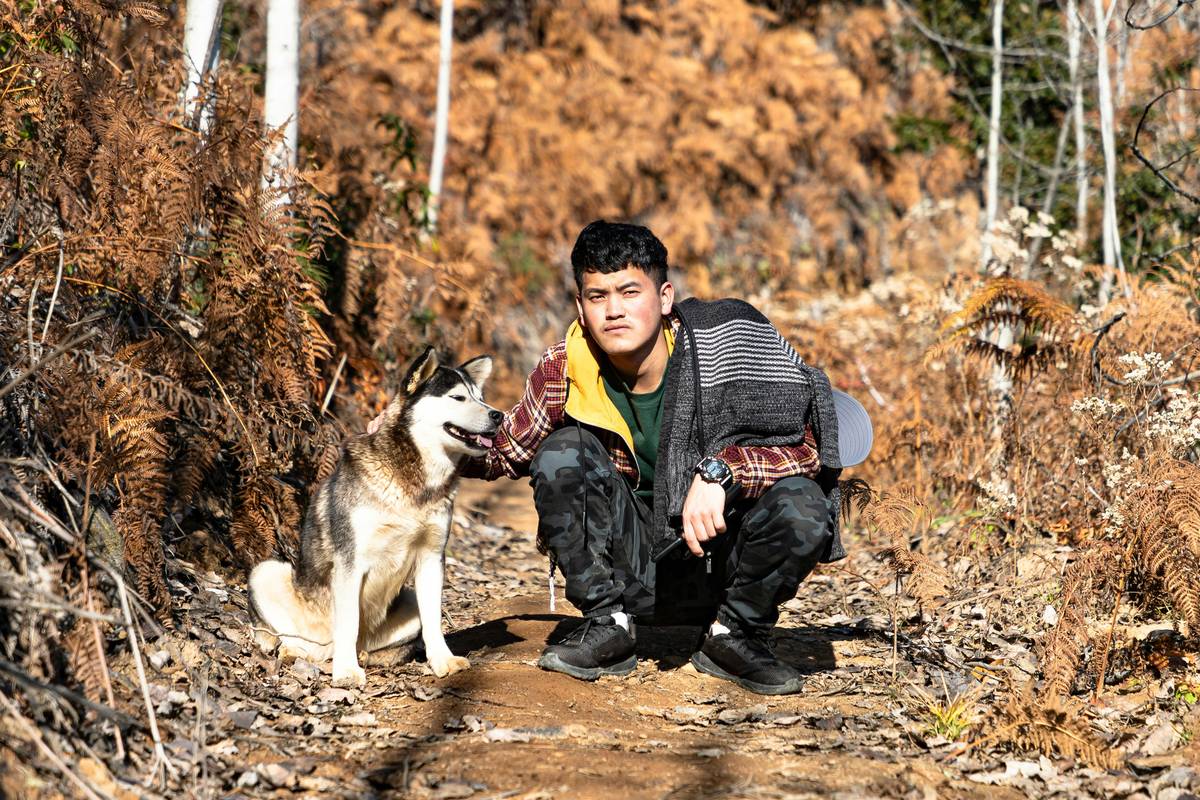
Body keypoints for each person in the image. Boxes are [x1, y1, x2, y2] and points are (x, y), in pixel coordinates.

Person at [458, 220, 868, 695]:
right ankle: (607, 626)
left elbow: (814, 447)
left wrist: (723, 471)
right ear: (580, 306)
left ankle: (733, 638)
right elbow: (506, 451)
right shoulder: (566, 365)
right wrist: (410, 438)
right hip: (631, 573)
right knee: (560, 453)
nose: (614, 311)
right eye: (597, 296)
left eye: (630, 292)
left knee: (804, 500)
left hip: (719, 564)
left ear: (666, 297)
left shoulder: (725, 346)